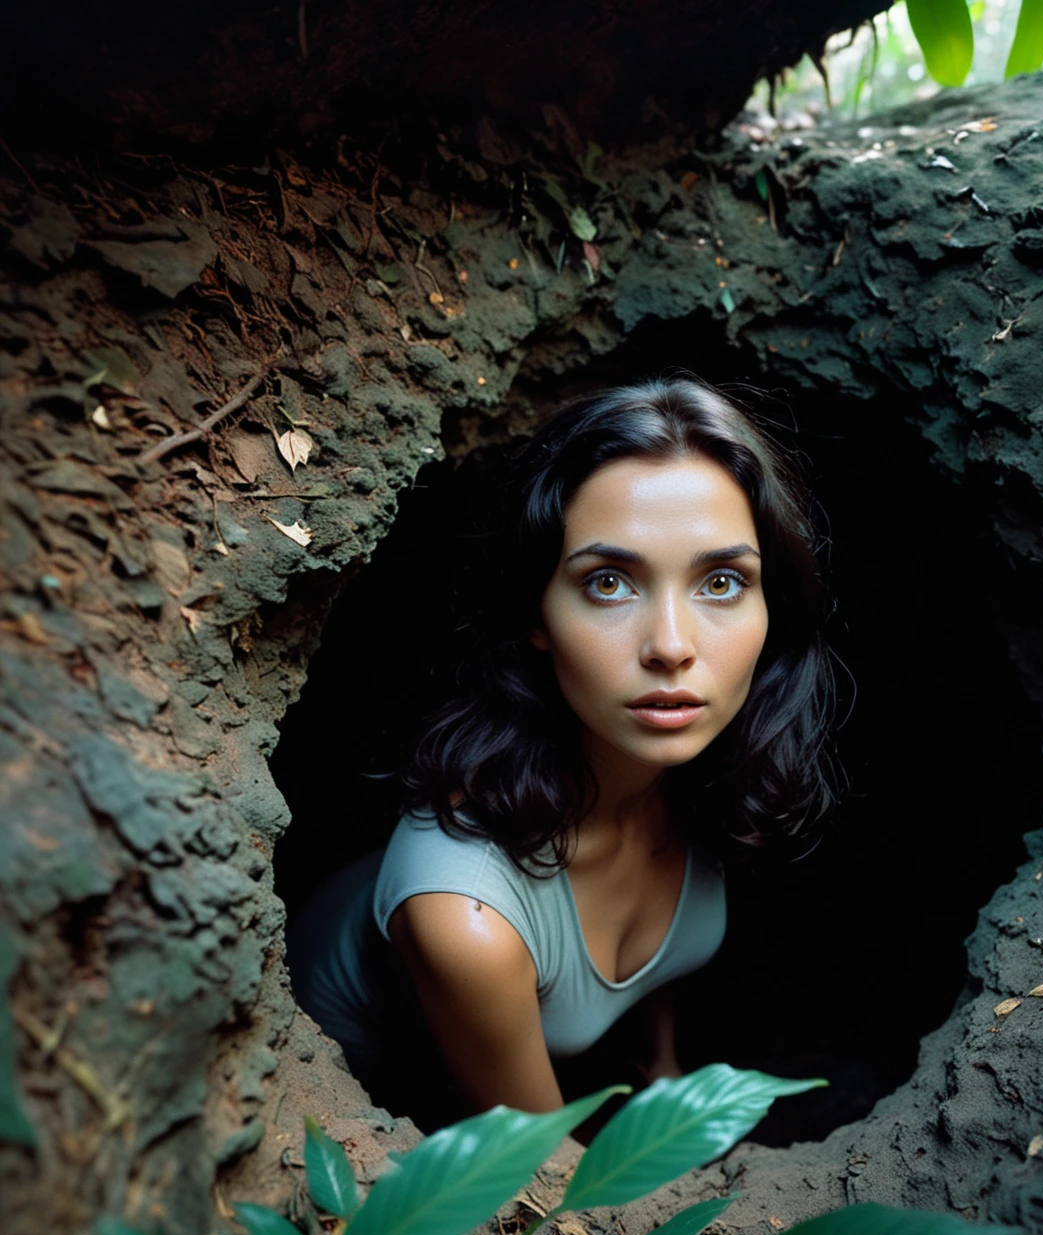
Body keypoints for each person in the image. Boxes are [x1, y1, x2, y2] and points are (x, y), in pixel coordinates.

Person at [286, 372, 839, 1130]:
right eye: (609, 582)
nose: (672, 648)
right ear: (536, 611)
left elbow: (663, 956)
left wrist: (662, 1068)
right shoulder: (465, 919)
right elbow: (544, 1180)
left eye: (720, 581)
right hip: (366, 1059)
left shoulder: (686, 763)